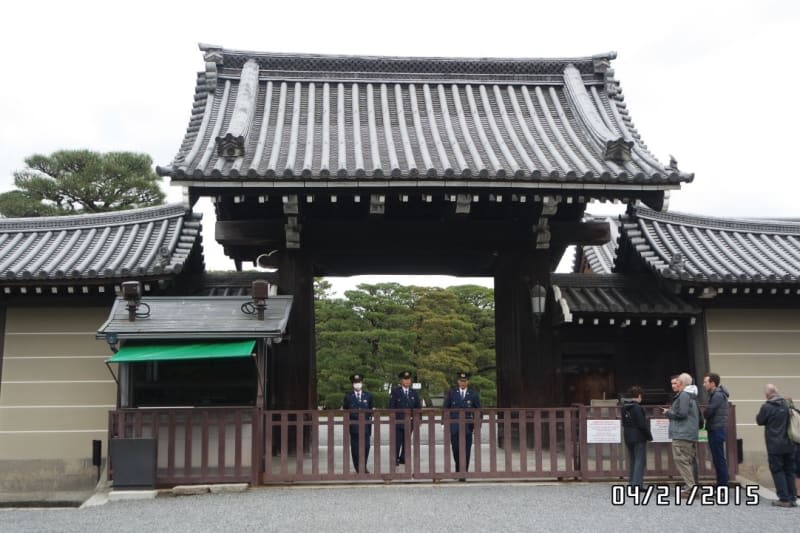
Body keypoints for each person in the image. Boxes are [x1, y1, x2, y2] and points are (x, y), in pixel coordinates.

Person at [756, 384, 797, 507]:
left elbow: (759, 421)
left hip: (774, 444)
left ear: (767, 394)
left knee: (777, 470)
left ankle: (784, 498)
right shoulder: (787, 404)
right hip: (789, 443)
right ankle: (792, 498)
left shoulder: (767, 407)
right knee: (789, 470)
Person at [663, 372, 699, 497]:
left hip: (682, 433)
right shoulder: (692, 395)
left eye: (677, 381)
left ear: (681, 383)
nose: (675, 384)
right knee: (688, 461)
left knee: (681, 460)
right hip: (689, 432)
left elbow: (682, 414)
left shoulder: (683, 395)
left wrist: (669, 413)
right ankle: (691, 486)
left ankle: (691, 488)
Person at [443, 372, 481, 480]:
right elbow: (446, 408)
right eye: (461, 381)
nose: (463, 383)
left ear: (467, 382)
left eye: (464, 381)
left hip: (468, 426)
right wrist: (444, 423)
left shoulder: (473, 394)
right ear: (458, 381)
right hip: (454, 425)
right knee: (456, 448)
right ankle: (458, 470)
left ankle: (464, 472)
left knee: (466, 449)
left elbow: (478, 410)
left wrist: (477, 424)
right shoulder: (452, 393)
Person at [388, 370, 421, 466]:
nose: (407, 381)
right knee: (397, 441)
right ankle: (395, 458)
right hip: (398, 420)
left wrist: (419, 419)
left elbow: (418, 407)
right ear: (401, 381)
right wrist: (392, 419)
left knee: (407, 441)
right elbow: (391, 406)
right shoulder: (395, 392)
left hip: (410, 420)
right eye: (405, 379)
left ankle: (403, 458)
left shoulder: (414, 392)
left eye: (408, 379)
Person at [622, 386, 653, 488]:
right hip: (638, 436)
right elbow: (642, 424)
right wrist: (649, 436)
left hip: (628, 435)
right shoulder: (637, 408)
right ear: (639, 396)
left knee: (633, 460)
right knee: (640, 460)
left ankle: (632, 482)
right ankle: (637, 485)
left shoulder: (624, 407)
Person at [702, 372, 730, 486]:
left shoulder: (717, 395)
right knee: (718, 459)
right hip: (716, 429)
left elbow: (709, 412)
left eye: (705, 382)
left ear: (712, 383)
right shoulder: (717, 394)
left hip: (716, 430)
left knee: (719, 460)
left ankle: (722, 486)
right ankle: (721, 485)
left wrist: (705, 413)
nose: (703, 384)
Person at [343, 373, 373, 473]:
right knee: (355, 449)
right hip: (354, 426)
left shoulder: (368, 395)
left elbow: (370, 410)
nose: (357, 384)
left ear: (362, 383)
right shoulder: (348, 396)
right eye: (355, 382)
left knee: (366, 446)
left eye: (359, 382)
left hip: (365, 426)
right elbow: (345, 410)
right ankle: (358, 467)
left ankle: (363, 465)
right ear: (352, 384)